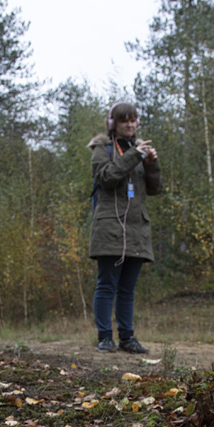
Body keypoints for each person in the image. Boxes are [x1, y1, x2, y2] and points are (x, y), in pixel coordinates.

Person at [87, 101, 163, 353]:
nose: (130, 125)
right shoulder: (102, 149)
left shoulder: (140, 151)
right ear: (113, 124)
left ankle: (128, 338)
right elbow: (106, 178)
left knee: (127, 288)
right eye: (124, 121)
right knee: (107, 284)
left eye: (133, 120)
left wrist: (151, 163)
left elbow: (155, 189)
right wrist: (134, 155)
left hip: (136, 229)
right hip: (110, 227)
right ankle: (105, 337)